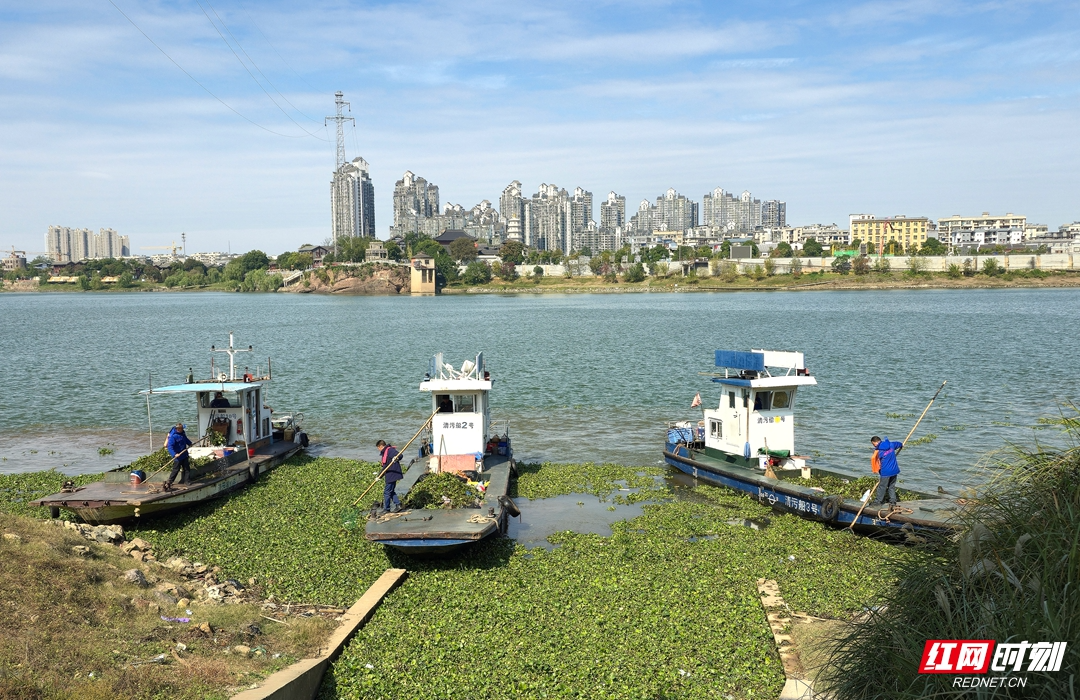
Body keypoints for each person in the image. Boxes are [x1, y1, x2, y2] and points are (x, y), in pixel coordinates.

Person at [870, 435, 903, 508]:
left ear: (875, 442)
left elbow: (877, 462)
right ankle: (893, 501)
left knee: (882, 487)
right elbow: (899, 444)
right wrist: (901, 445)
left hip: (885, 472)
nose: (874, 446)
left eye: (873, 444)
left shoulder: (878, 451)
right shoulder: (891, 444)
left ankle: (878, 501)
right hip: (894, 470)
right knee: (891, 486)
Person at [376, 439, 402, 513]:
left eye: (378, 448)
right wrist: (379, 476)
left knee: (387, 492)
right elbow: (385, 467)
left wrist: (396, 458)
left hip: (392, 474)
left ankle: (387, 508)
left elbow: (400, 455)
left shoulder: (390, 450)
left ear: (381, 446)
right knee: (391, 491)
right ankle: (398, 504)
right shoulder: (385, 453)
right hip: (390, 474)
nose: (378, 450)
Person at [165, 423, 193, 490]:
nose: (181, 429)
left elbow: (186, 440)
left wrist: (190, 443)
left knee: (187, 469)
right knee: (176, 470)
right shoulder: (173, 436)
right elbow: (170, 447)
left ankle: (187, 481)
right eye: (180, 428)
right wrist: (174, 454)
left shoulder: (183, 434)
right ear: (177, 429)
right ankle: (170, 482)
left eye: (182, 428)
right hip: (178, 457)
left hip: (184, 455)